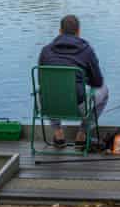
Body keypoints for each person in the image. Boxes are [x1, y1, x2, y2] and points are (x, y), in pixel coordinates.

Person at [38, 15, 108, 148]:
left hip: (48, 106)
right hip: (77, 107)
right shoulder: (86, 50)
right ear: (78, 32)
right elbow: (98, 82)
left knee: (49, 89)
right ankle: (82, 134)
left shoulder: (45, 51)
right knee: (104, 90)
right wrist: (84, 79)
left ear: (60, 31)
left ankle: (58, 134)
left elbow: (42, 81)